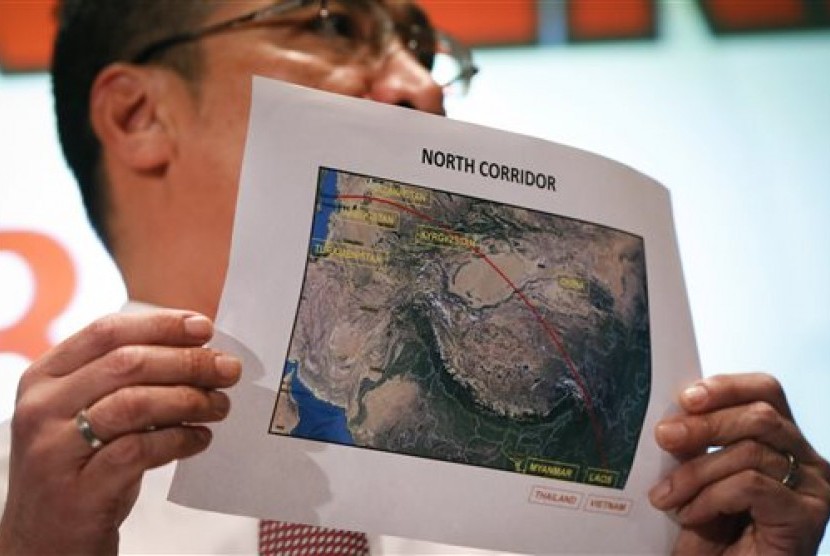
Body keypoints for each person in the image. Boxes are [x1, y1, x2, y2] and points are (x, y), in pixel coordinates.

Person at [1, 0, 828, 553]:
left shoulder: (613, 501)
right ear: (137, 115)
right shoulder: (20, 499)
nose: (422, 88)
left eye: (428, 53)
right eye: (331, 21)